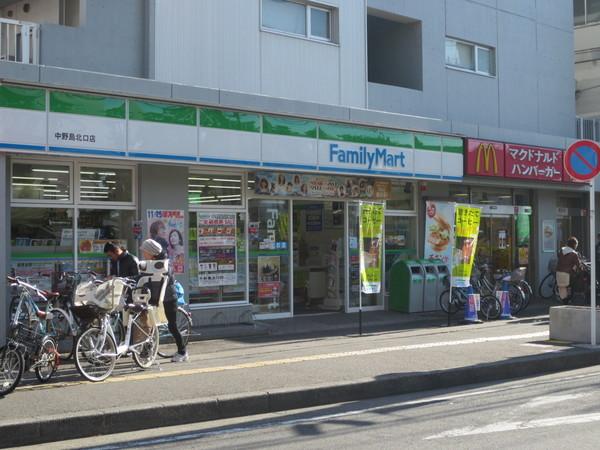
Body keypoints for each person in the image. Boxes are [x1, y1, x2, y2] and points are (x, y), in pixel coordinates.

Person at [140, 238, 188, 362]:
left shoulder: (166, 264)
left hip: (168, 299)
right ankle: (147, 350)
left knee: (172, 326)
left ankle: (182, 352)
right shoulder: (148, 263)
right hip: (153, 298)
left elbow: (162, 279)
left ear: (152, 252)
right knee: (149, 325)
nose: (143, 254)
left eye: (145, 251)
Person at [556, 237, 584, 302]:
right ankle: (569, 298)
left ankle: (564, 299)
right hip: (567, 274)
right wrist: (581, 269)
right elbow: (578, 264)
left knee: (562, 287)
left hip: (558, 272)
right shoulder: (574, 254)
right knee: (574, 281)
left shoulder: (561, 250)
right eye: (576, 244)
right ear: (574, 245)